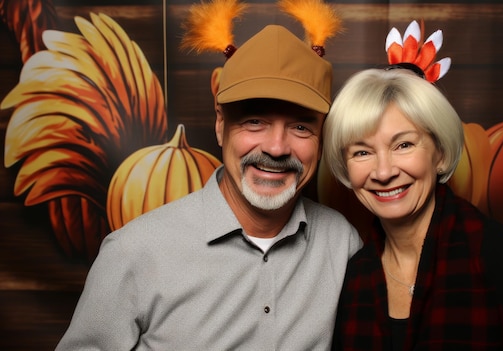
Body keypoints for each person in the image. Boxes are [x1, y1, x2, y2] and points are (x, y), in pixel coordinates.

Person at [56, 11, 362, 351]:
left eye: (301, 126)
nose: (276, 147)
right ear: (220, 124)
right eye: (254, 121)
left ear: (322, 136)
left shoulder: (341, 243)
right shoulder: (134, 253)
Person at [323, 66, 503, 350]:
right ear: (345, 168)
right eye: (362, 152)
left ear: (441, 155)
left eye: (404, 145)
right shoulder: (352, 276)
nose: (383, 172)